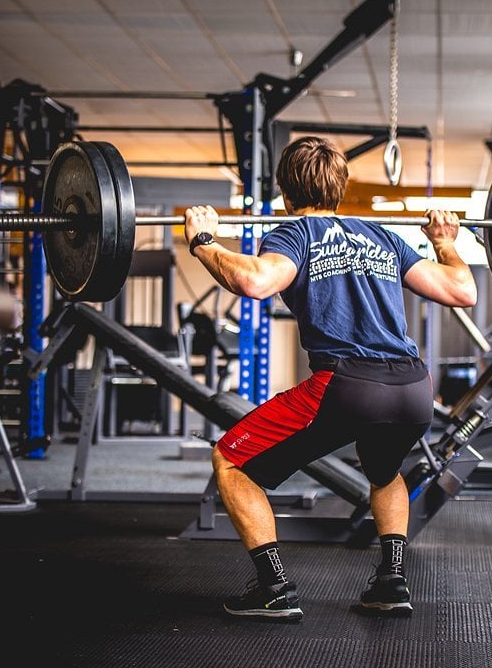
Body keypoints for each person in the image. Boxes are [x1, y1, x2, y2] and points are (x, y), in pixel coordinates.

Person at [184, 135, 477, 621]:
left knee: (231, 461)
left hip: (346, 386)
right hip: (411, 388)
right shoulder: (381, 236)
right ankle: (391, 582)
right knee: (385, 473)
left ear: (285, 191)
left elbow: (255, 281)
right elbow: (461, 289)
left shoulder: (293, 235)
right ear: (340, 188)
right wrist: (446, 243)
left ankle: (273, 586)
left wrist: (203, 241)